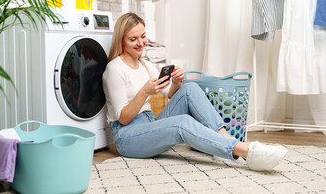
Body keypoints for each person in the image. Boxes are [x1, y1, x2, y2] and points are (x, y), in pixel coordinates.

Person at [102, 13, 287, 171]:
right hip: (128, 137)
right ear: (121, 40)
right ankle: (246, 151)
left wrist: (176, 82)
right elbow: (124, 118)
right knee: (182, 123)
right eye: (133, 39)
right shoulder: (114, 69)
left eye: (143, 36)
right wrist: (144, 92)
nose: (141, 43)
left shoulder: (145, 64)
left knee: (189, 88)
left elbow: (173, 95)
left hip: (151, 124)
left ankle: (231, 142)